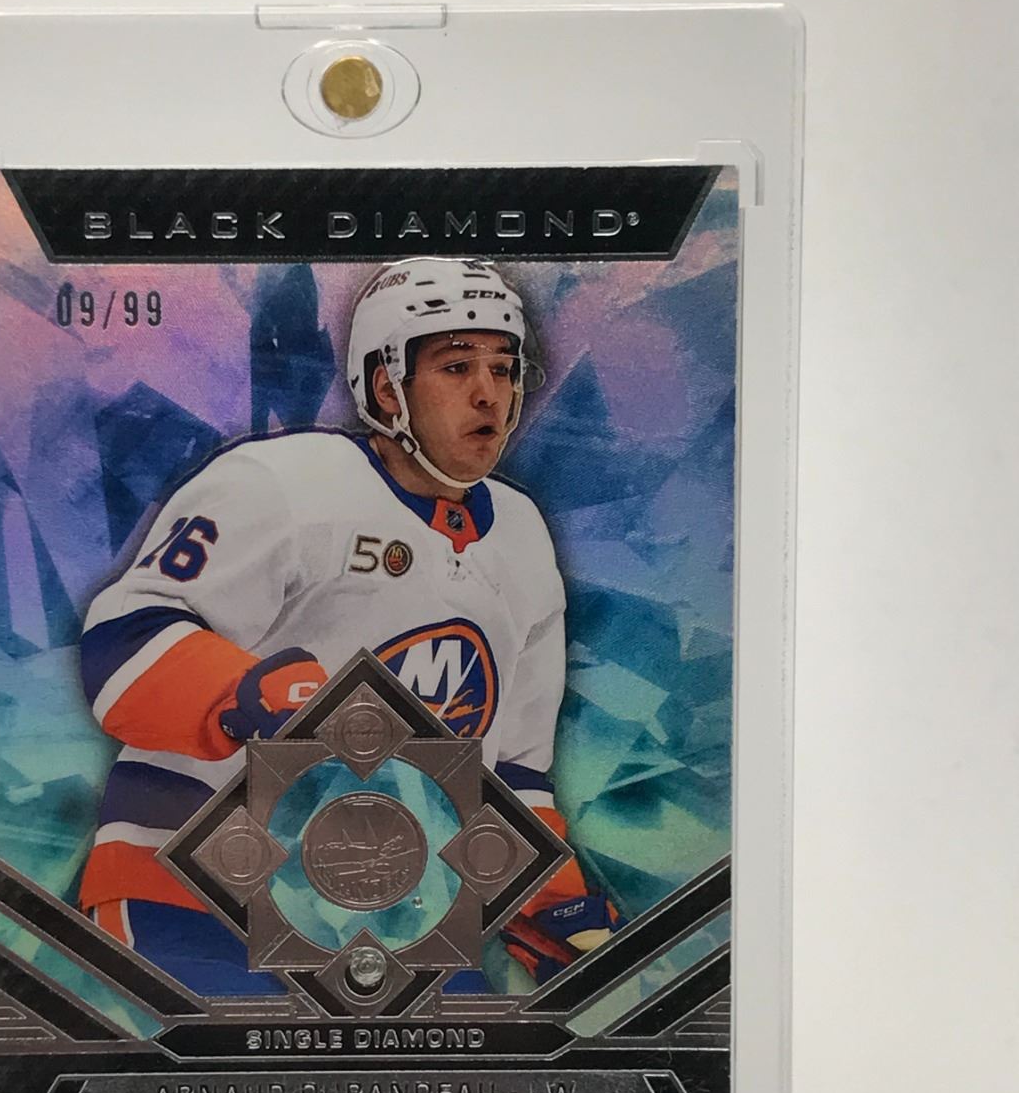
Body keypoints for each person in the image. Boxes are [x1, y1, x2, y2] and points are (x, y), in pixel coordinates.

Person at [76, 257, 617, 995]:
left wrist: (551, 907)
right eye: (457, 367)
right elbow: (123, 641)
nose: (489, 393)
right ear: (388, 386)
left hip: (391, 928)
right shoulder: (279, 484)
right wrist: (248, 693)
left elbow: (512, 777)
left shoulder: (522, 537)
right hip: (190, 890)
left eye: (503, 368)